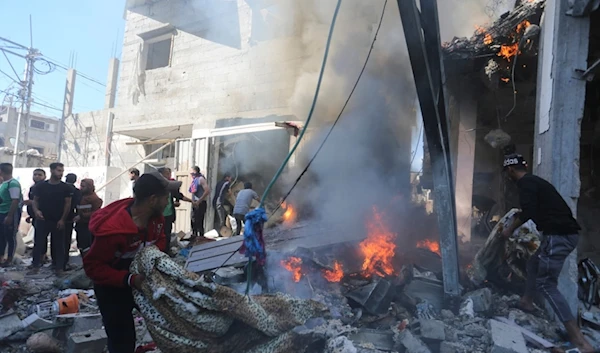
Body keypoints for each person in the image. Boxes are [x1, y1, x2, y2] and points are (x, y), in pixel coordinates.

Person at [501, 154, 594, 352]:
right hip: (560, 234)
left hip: (558, 236)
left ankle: (579, 340)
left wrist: (510, 229)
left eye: (507, 173)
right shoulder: (534, 181)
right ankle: (526, 301)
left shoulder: (525, 184)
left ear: (510, 170)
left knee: (546, 284)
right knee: (533, 264)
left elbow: (529, 211)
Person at [83, 172, 179, 353]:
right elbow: (93, 267)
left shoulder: (156, 219)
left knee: (170, 325)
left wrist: (153, 259)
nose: (168, 202)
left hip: (142, 282)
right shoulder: (113, 230)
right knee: (122, 340)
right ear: (152, 199)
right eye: (165, 197)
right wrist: (130, 279)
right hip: (113, 288)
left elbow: (160, 240)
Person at [30, 163, 73, 275]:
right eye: (59, 170)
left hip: (57, 220)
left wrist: (63, 219)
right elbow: (35, 200)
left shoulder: (65, 187)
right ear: (52, 171)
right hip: (43, 219)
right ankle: (35, 267)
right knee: (38, 243)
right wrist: (36, 211)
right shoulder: (41, 186)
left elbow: (67, 204)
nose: (61, 173)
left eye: (62, 171)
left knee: (58, 245)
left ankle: (59, 268)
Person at [0, 163, 22, 267]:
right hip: (1, 213)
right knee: (2, 237)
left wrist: (9, 216)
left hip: (9, 214)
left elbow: (15, 201)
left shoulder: (13, 184)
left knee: (10, 237)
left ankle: (9, 259)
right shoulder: (3, 183)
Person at [74, 179, 103, 256]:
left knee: (87, 246)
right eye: (81, 186)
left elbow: (96, 213)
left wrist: (82, 216)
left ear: (89, 187)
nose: (81, 188)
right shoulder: (81, 196)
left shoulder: (95, 199)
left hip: (88, 225)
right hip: (80, 224)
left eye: (83, 186)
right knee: (81, 244)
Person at [157, 167, 186, 238]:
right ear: (161, 175)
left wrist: (192, 201)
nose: (169, 175)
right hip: (159, 215)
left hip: (168, 215)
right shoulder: (156, 187)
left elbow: (178, 195)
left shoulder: (170, 185)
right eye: (167, 173)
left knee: (167, 234)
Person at [63, 173, 81, 270]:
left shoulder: (62, 189)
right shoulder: (77, 191)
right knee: (66, 240)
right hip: (70, 218)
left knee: (57, 240)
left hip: (60, 217)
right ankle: (64, 262)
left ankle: (57, 262)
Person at [189, 166, 210, 238]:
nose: (191, 175)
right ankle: (194, 236)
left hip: (200, 203)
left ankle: (200, 238)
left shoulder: (201, 179)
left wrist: (199, 200)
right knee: (193, 220)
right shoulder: (194, 180)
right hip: (195, 203)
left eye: (192, 172)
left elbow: (207, 191)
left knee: (199, 222)